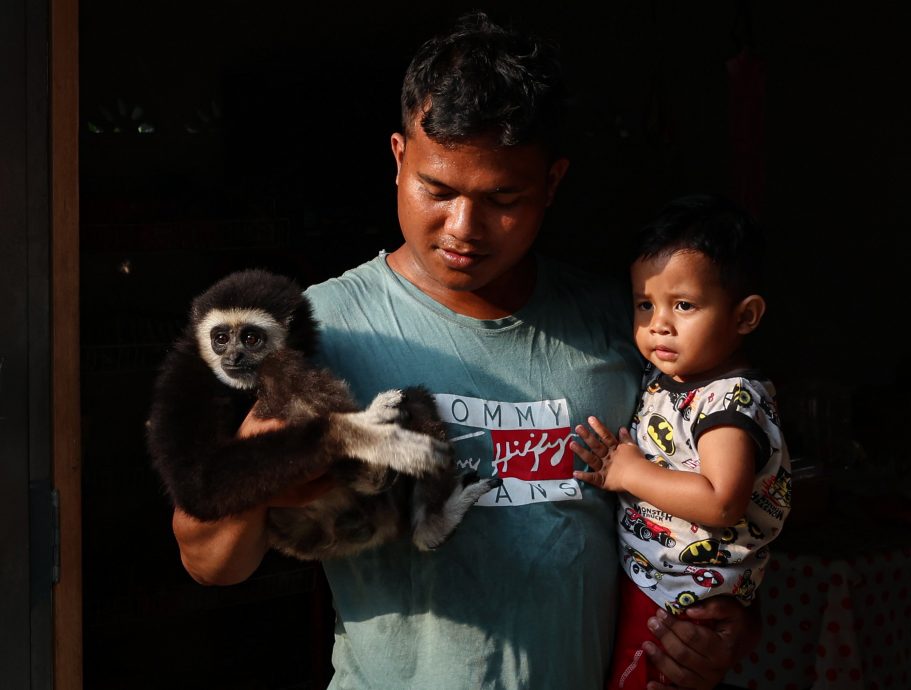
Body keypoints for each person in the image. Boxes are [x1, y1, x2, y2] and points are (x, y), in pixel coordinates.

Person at [172, 13, 759, 690]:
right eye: (437, 190)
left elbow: (716, 514)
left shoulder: (630, 329)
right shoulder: (318, 331)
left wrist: (728, 623)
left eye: (502, 198)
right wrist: (261, 466)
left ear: (552, 183)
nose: (462, 229)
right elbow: (210, 561)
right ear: (398, 159)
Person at [570, 194, 790, 689]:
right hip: (659, 583)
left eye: (684, 305)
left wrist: (629, 473)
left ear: (746, 316)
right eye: (645, 304)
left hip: (678, 601)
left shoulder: (729, 402)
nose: (658, 323)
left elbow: (722, 500)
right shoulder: (674, 375)